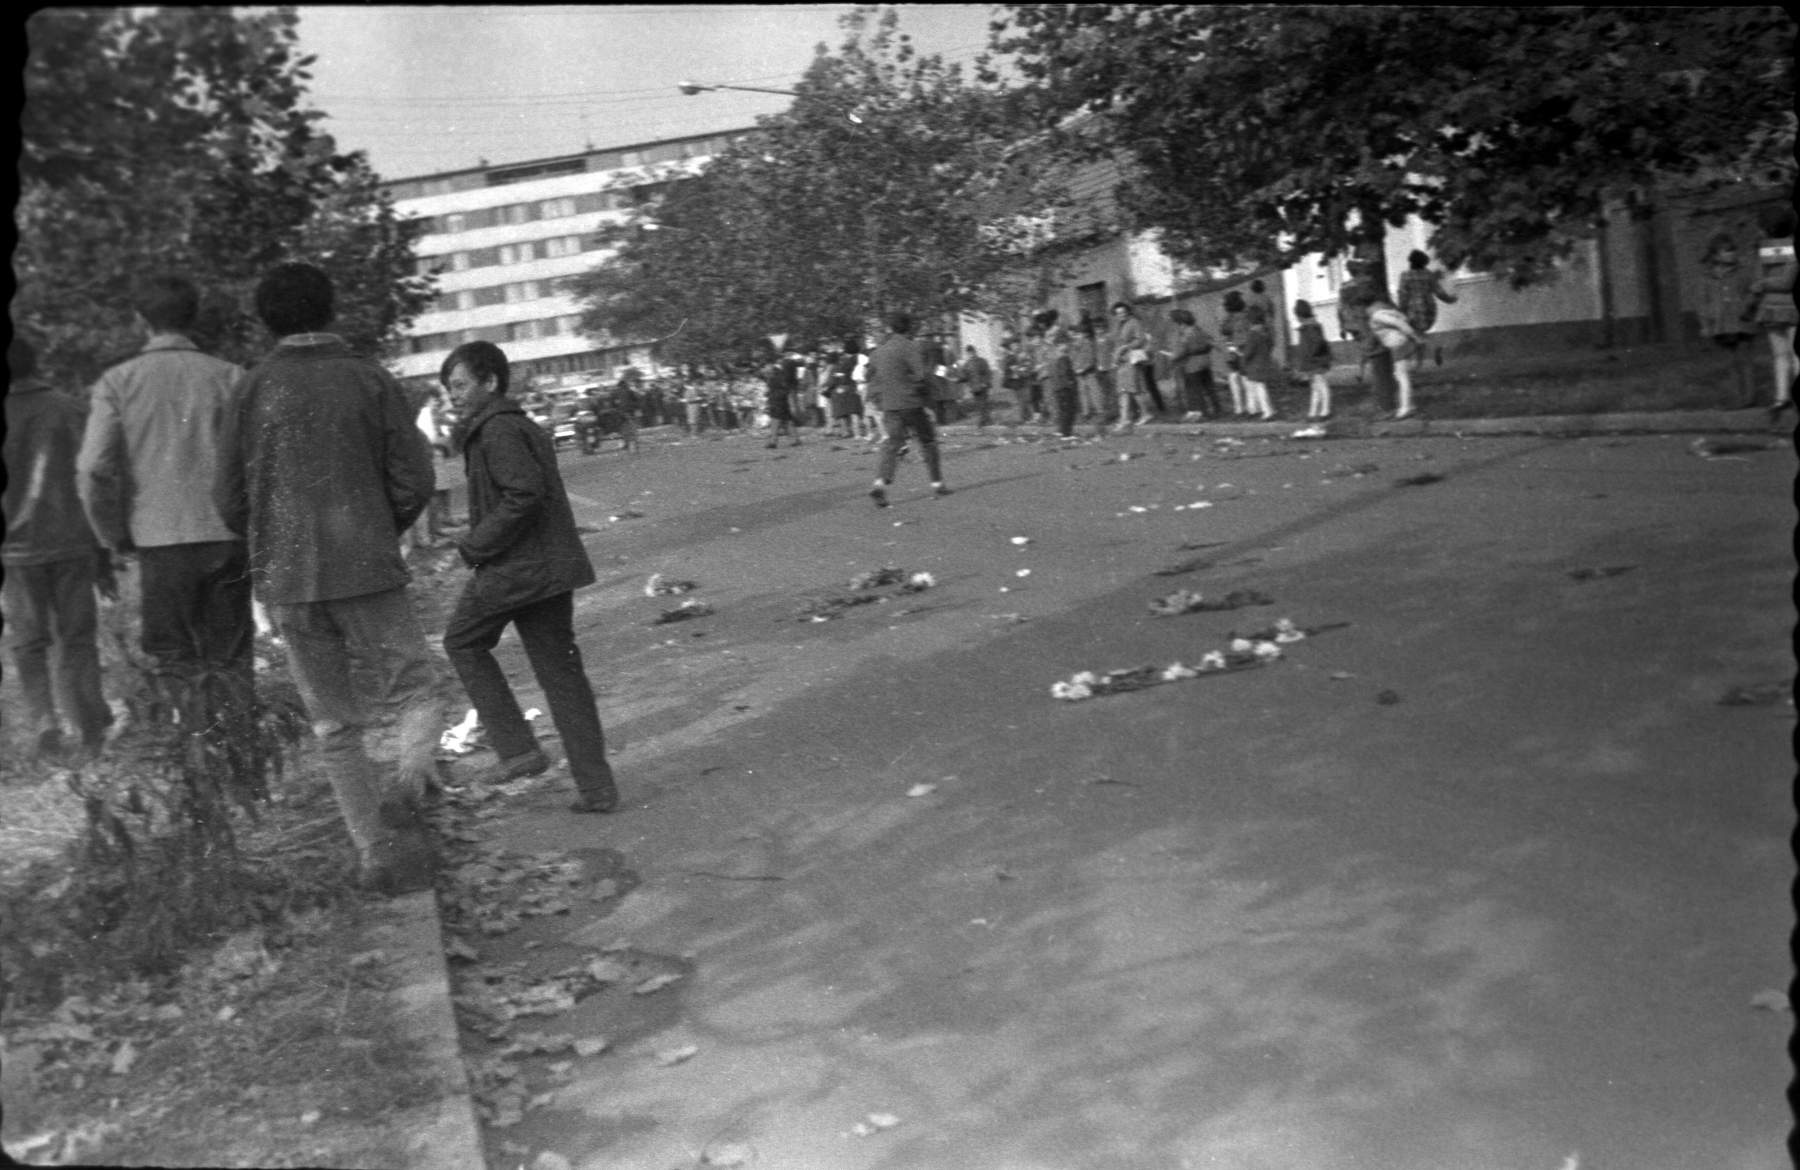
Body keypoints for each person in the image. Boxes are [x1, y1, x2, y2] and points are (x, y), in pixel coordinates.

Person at [215, 261, 443, 895]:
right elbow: (417, 479)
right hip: (367, 565)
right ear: (332, 309)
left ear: (266, 321)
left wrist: (268, 541)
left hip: (288, 579)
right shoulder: (367, 378)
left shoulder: (250, 388)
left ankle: (373, 855)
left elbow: (228, 498)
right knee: (416, 691)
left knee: (334, 724)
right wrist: (382, 523)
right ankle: (405, 786)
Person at [437, 341, 622, 815]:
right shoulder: (513, 424)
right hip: (545, 570)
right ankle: (596, 788)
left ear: (490, 382)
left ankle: (519, 750)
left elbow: (524, 494)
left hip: (515, 570)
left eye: (459, 386)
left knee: (461, 641)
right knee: (562, 677)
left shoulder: (495, 430)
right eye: (448, 389)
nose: (452, 396)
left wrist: (476, 545)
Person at [77, 273, 252, 688]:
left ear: (142, 319)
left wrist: (112, 534)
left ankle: (191, 748)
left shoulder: (117, 382)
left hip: (159, 540)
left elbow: (92, 469)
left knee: (174, 661)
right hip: (226, 536)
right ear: (193, 317)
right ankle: (239, 750)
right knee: (231, 659)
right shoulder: (231, 377)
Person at [4, 335, 116, 761]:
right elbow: (94, 475)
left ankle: (44, 720)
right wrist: (105, 551)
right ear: (36, 362)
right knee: (77, 638)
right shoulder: (69, 408)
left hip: (15, 551)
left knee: (27, 639)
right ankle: (90, 732)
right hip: (72, 541)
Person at [865, 311, 949, 507]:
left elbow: (870, 377)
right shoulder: (911, 347)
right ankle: (937, 483)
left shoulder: (878, 352)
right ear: (909, 327)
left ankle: (880, 484)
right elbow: (922, 376)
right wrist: (933, 394)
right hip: (912, 403)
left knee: (892, 445)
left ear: (889, 328)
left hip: (889, 406)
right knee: (928, 442)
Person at [1747, 208, 1797, 419]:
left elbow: (1758, 281)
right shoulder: (1793, 250)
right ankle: (1784, 397)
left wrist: (1762, 284)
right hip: (1792, 308)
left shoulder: (1763, 252)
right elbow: (1787, 282)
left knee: (1779, 355)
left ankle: (1781, 397)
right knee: (1793, 355)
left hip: (1770, 309)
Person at [1367, 290, 1427, 419]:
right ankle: (1409, 405)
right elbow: (1402, 319)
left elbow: (1400, 324)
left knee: (1401, 376)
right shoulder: (1389, 312)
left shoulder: (1378, 315)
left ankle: (1405, 408)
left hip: (1398, 344)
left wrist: (1415, 337)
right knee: (1401, 375)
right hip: (1400, 343)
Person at [1397, 249, 1459, 360]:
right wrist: (1451, 299)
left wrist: (1401, 311)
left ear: (1410, 262)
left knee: (1414, 335)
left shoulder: (1405, 276)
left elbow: (1403, 295)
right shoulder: (1429, 275)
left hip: (1413, 310)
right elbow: (1439, 292)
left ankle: (1434, 347)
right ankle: (1419, 364)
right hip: (1429, 308)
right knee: (1418, 334)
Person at [1110, 301, 1165, 420]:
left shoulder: (1134, 323)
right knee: (1123, 390)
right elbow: (1117, 343)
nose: (1121, 315)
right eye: (1118, 313)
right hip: (1121, 360)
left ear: (1128, 311)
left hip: (1131, 359)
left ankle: (1145, 414)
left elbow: (1140, 340)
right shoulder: (1118, 325)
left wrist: (1126, 347)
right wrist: (1115, 357)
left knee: (1133, 388)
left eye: (1123, 312)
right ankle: (1124, 418)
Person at [1164, 308, 1219, 421]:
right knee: (1209, 387)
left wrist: (1172, 356)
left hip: (1192, 365)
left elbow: (1180, 352)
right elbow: (1211, 342)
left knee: (1195, 389)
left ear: (1182, 323)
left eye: (1177, 324)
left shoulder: (1186, 334)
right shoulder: (1200, 330)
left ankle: (1202, 413)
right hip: (1205, 362)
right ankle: (1216, 409)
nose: (1177, 326)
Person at [1292, 300, 1336, 419]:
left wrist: (1310, 355)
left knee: (1320, 386)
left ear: (1300, 315)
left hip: (1315, 362)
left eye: (1297, 316)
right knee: (1316, 387)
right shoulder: (1312, 326)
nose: (1297, 318)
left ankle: (1325, 411)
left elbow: (1316, 343)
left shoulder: (1310, 328)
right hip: (1315, 362)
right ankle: (1314, 412)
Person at [1236, 303, 1279, 420]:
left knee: (1260, 389)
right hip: (1265, 362)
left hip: (1254, 366)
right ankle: (1265, 409)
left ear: (1250, 320)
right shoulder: (1265, 332)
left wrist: (1240, 354)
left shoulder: (1252, 334)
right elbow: (1270, 345)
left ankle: (1267, 411)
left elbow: (1248, 352)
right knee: (1261, 387)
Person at [1217, 290, 1249, 416]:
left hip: (1233, 349)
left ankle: (1239, 408)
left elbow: (1224, 330)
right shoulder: (1246, 315)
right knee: (1246, 378)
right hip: (1243, 349)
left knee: (1235, 378)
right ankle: (1251, 407)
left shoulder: (1229, 318)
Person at [762, 350, 802, 448]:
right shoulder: (781, 371)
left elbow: (777, 385)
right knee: (787, 418)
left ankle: (773, 441)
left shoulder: (777, 373)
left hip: (777, 399)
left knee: (775, 419)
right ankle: (795, 439)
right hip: (781, 397)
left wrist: (771, 393)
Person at [954, 344, 994, 428]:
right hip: (974, 387)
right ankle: (987, 420)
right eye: (969, 353)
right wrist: (957, 380)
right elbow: (964, 376)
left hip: (982, 386)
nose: (970, 354)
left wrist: (985, 383)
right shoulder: (967, 364)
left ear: (974, 352)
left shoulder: (981, 361)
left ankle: (983, 421)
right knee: (980, 404)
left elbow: (987, 373)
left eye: (971, 352)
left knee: (983, 403)